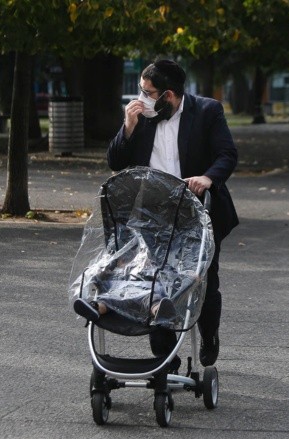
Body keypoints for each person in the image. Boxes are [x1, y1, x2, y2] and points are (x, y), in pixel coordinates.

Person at [107, 59, 238, 367]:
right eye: (140, 89)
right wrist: (128, 127)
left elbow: (227, 153)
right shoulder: (141, 116)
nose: (141, 97)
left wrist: (208, 178)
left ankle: (209, 334)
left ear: (168, 95)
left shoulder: (207, 111)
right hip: (154, 212)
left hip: (198, 209)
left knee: (202, 277)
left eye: (148, 91)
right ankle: (166, 356)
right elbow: (115, 161)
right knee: (155, 278)